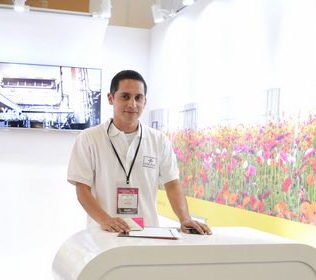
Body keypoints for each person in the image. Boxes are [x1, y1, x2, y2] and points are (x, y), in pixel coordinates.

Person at [67, 69, 211, 235]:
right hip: (104, 233)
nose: (132, 104)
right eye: (125, 96)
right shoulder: (89, 138)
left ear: (145, 101)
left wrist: (185, 218)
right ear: (111, 98)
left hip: (147, 233)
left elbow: (172, 184)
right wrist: (105, 220)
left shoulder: (159, 140)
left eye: (138, 98)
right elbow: (82, 190)